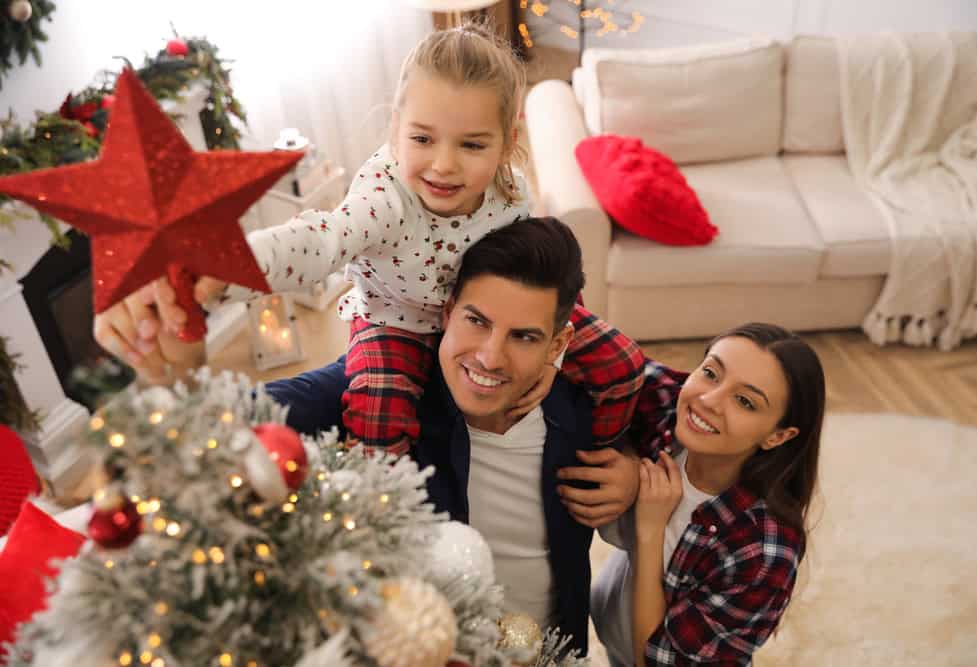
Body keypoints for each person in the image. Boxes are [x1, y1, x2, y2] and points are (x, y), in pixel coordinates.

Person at [95, 216, 643, 655]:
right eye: (476, 321)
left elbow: (708, 403)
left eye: (524, 336)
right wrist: (172, 365)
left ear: (558, 344)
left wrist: (635, 471)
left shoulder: (583, 409)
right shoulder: (385, 392)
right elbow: (230, 422)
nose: (490, 357)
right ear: (446, 312)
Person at [175, 24, 644, 458]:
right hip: (395, 320)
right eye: (422, 139)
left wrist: (552, 354)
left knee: (620, 361)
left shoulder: (512, 193)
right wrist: (225, 264)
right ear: (397, 126)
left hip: (490, 317)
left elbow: (545, 273)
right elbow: (318, 241)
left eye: (472, 145)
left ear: (507, 141)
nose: (443, 165)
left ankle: (586, 460)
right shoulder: (383, 198)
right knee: (379, 414)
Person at [591, 323, 825, 667]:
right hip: (611, 647)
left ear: (777, 436)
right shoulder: (673, 413)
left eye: (744, 401)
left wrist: (650, 531)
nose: (709, 401)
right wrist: (628, 462)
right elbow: (585, 337)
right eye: (712, 373)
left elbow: (656, 662)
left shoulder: (762, 552)